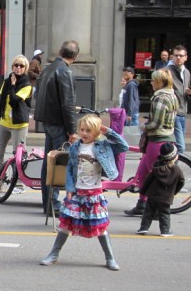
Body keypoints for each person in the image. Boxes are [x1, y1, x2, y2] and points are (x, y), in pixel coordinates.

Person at [39, 114, 128, 271]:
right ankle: (54, 254)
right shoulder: (75, 147)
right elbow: (71, 169)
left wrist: (108, 132)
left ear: (96, 132)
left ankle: (110, 257)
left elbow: (123, 146)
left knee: (101, 228)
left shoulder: (102, 145)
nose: (84, 133)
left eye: (89, 130)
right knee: (65, 224)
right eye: (82, 130)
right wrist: (70, 189)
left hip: (94, 194)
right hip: (77, 193)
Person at [124, 69, 179, 217]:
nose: (151, 82)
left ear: (160, 82)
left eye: (154, 80)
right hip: (163, 138)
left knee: (152, 176)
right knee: (142, 173)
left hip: (158, 140)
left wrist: (143, 126)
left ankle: (153, 209)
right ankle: (142, 205)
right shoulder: (172, 95)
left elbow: (156, 123)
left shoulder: (161, 97)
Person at [34, 40, 80, 214]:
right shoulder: (64, 71)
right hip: (58, 124)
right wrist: (72, 130)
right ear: (75, 56)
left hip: (48, 122)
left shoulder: (48, 69)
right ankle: (52, 203)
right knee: (57, 164)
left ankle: (48, 202)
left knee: (49, 162)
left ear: (60, 51)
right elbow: (68, 103)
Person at [0, 54, 33, 194]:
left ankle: (18, 184)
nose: (18, 68)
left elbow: (13, 101)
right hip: (4, 123)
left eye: (21, 66)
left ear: (25, 68)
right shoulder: (7, 81)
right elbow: (2, 102)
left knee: (19, 157)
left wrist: (13, 85)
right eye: (16, 65)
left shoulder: (26, 85)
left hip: (19, 125)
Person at [136, 143, 184, 237]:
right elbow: (181, 182)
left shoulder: (156, 166)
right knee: (164, 213)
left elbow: (148, 179)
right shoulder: (177, 170)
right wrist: (174, 192)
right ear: (174, 157)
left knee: (148, 212)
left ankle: (144, 228)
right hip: (166, 196)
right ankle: (165, 230)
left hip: (152, 194)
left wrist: (143, 191)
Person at [166, 45, 191, 153]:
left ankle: (169, 168)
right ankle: (174, 169)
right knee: (180, 147)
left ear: (186, 57)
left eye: (181, 55)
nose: (178, 58)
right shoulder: (167, 71)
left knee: (174, 146)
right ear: (172, 57)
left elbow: (186, 94)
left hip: (183, 113)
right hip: (173, 113)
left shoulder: (186, 72)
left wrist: (190, 93)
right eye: (176, 55)